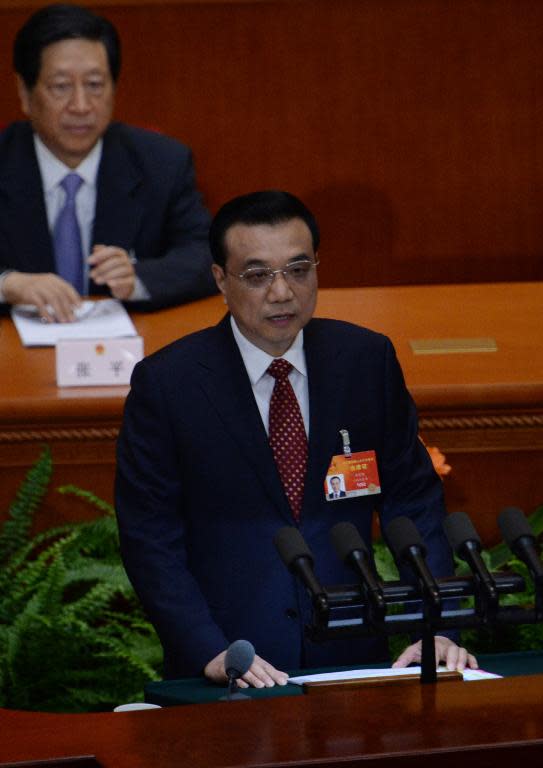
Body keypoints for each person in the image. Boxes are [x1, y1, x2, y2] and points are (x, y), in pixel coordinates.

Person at [115, 190, 477, 687]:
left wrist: (438, 625)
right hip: (231, 661)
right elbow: (149, 535)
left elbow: (412, 502)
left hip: (353, 655)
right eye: (258, 275)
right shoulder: (169, 383)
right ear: (221, 279)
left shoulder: (364, 361)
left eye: (298, 270)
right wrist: (207, 648)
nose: (282, 292)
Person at [0, 3, 216, 322]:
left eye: (95, 85)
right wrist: (8, 284)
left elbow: (207, 255)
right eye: (61, 86)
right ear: (25, 93)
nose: (81, 105)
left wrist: (138, 277)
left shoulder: (163, 163)